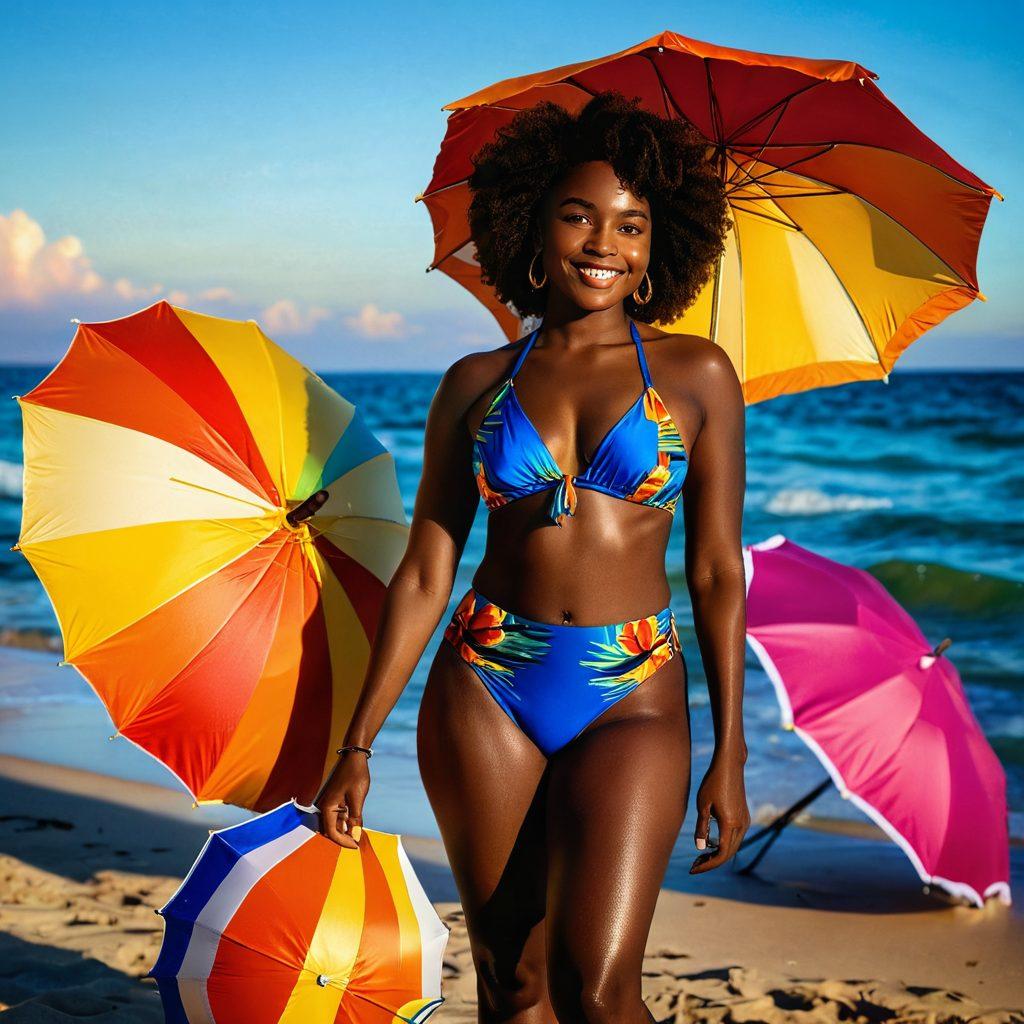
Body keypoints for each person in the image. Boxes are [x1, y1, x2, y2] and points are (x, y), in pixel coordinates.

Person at [318, 91, 749, 1024]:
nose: (605, 242)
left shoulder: (697, 372)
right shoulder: (474, 384)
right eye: (579, 215)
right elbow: (428, 569)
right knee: (514, 988)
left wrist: (732, 752)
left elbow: (717, 571)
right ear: (533, 227)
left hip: (633, 689)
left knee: (599, 990)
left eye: (632, 225)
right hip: (484, 680)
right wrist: (357, 745)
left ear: (656, 249)